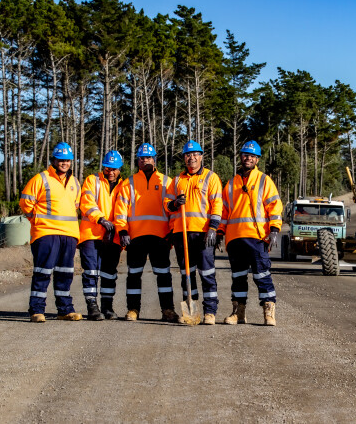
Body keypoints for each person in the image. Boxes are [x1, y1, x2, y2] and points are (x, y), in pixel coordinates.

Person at [217, 140, 283, 326]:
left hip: (257, 238)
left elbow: (274, 206)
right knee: (238, 277)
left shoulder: (264, 180)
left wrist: (275, 229)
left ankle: (269, 312)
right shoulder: (231, 183)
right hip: (235, 238)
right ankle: (238, 313)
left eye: (252, 156)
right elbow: (224, 211)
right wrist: (220, 232)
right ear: (241, 157)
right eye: (246, 155)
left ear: (257, 160)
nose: (248, 158)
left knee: (262, 275)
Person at [113, 143, 179, 323]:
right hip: (136, 237)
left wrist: (172, 230)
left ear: (154, 159)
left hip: (160, 236)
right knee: (134, 274)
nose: (145, 161)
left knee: (163, 274)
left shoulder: (166, 182)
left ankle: (168, 310)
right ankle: (133, 309)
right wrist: (122, 230)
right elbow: (120, 210)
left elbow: (173, 210)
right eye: (142, 158)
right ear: (138, 161)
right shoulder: (129, 183)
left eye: (148, 157)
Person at [19, 142, 82, 322]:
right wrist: (37, 220)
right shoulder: (41, 179)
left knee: (65, 273)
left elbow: (75, 206)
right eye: (61, 160)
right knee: (43, 272)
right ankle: (36, 310)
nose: (64, 163)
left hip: (69, 235)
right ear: (53, 160)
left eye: (67, 160)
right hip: (46, 233)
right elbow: (25, 203)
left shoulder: (75, 182)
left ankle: (65, 310)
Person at [164, 140, 223, 325]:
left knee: (207, 273)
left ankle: (210, 312)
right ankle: (192, 311)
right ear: (184, 158)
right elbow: (166, 204)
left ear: (201, 156)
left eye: (195, 154)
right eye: (188, 155)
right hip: (181, 233)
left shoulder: (211, 177)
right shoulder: (177, 180)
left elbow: (217, 205)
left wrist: (213, 228)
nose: (192, 158)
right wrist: (174, 204)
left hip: (203, 233)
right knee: (187, 275)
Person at [77, 150, 124, 320]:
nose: (110, 172)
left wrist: (120, 231)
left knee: (109, 273)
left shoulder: (124, 186)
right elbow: (87, 203)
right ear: (103, 167)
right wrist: (101, 219)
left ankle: (107, 307)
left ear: (119, 169)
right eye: (107, 168)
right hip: (92, 234)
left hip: (113, 237)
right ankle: (92, 306)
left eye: (114, 169)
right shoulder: (92, 180)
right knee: (91, 271)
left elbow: (125, 210)